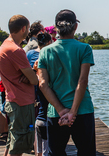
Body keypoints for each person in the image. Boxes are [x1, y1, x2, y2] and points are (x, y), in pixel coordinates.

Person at [38, 9, 96, 156]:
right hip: (82, 110)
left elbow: (43, 84)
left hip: (56, 114)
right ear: (75, 27)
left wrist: (61, 110)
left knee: (56, 153)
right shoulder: (84, 48)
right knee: (86, 153)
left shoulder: (45, 51)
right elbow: (82, 81)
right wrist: (73, 112)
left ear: (56, 28)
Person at [0, 15, 39, 156]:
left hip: (13, 99)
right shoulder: (15, 50)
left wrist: (27, 75)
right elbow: (34, 80)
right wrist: (36, 69)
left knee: (13, 140)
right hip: (21, 103)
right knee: (19, 144)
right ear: (23, 28)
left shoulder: (5, 46)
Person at [26, 32, 52, 156]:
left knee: (38, 150)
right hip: (48, 117)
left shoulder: (30, 54)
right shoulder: (49, 55)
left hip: (33, 100)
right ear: (49, 42)